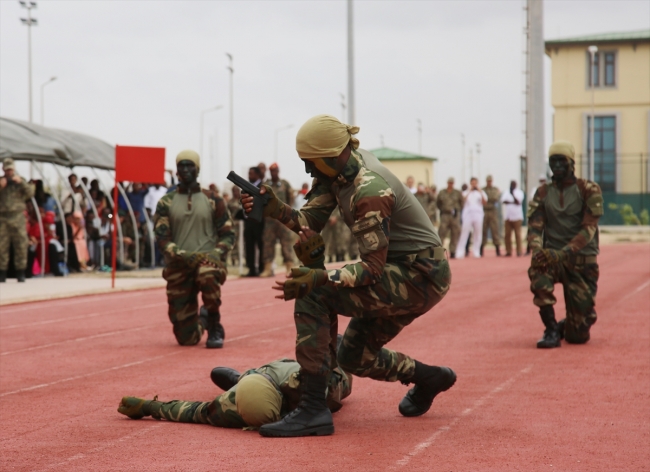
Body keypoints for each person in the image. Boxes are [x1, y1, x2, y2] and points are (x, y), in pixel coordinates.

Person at [241, 114, 455, 438]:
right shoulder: (338, 171)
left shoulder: (368, 189)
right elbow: (307, 221)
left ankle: (314, 407)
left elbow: (371, 269)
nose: (307, 170)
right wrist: (274, 208)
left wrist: (320, 279)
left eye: (311, 163)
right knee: (352, 357)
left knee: (313, 292)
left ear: (331, 155)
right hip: (401, 270)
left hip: (420, 275)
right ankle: (428, 377)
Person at [117, 355, 352, 430]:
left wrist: (149, 406)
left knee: (340, 378)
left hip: (264, 381)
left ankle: (241, 377)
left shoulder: (231, 409)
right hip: (262, 381)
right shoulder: (235, 407)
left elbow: (192, 411)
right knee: (343, 382)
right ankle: (242, 377)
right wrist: (146, 406)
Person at [154, 150, 234, 349]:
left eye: (190, 165)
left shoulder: (214, 199)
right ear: (177, 170)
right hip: (179, 267)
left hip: (208, 262)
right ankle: (203, 320)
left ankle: (214, 323)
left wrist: (216, 254)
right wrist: (183, 255)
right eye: (182, 166)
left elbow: (228, 234)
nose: (186, 170)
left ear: (197, 169)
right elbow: (162, 239)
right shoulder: (166, 202)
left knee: (207, 275)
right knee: (186, 339)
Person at [528, 141, 603, 348]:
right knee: (538, 269)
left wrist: (563, 253)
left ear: (572, 163)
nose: (557, 165)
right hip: (552, 258)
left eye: (562, 160)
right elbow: (535, 226)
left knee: (578, 336)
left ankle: (571, 323)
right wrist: (537, 250)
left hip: (581, 261)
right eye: (553, 161)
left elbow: (588, 229)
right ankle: (551, 329)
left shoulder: (588, 189)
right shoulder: (543, 192)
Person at [0, 158, 34, 282]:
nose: (9, 172)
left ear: (13, 169)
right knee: (2, 246)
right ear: (3, 169)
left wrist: (21, 183)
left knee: (20, 244)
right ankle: (2, 272)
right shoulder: (1, 181)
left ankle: (21, 271)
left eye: (11, 169)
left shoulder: (20, 181)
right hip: (3, 217)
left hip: (18, 216)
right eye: (7, 169)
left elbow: (30, 194)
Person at [260, 163, 296, 277]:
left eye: (275, 171)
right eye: (271, 171)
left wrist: (288, 213)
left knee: (286, 244)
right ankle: (268, 268)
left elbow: (291, 198)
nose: (273, 173)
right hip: (269, 221)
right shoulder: (266, 185)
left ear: (278, 171)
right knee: (268, 244)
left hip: (283, 220)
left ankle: (289, 267)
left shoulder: (285, 184)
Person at [455, 178, 487, 259]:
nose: (474, 185)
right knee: (464, 233)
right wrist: (469, 191)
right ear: (470, 184)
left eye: (475, 183)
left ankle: (476, 252)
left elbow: (484, 202)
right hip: (468, 214)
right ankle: (460, 252)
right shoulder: (465, 192)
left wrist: (480, 191)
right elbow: (463, 200)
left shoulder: (481, 192)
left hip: (478, 214)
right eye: (472, 183)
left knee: (478, 233)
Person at [243, 167, 265, 277]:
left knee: (261, 245)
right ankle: (251, 269)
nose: (249, 175)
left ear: (257, 175)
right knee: (249, 246)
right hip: (248, 221)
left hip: (259, 221)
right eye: (249, 173)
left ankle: (261, 268)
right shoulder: (246, 186)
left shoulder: (263, 186)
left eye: (251, 173)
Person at [436, 177, 462, 258]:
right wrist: (443, 210)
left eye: (452, 183)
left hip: (454, 216)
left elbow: (462, 203)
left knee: (455, 233)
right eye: (449, 183)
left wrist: (457, 210)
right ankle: (439, 252)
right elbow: (438, 203)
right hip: (445, 215)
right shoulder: (442, 192)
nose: (450, 184)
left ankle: (453, 251)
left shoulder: (457, 192)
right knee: (442, 233)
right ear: (447, 183)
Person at [501, 180, 524, 257]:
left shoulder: (519, 192)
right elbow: (503, 201)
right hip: (508, 217)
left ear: (516, 185)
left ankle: (519, 251)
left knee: (518, 234)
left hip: (517, 217)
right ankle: (508, 251)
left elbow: (518, 202)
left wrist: (512, 195)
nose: (512, 185)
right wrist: (512, 201)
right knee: (507, 235)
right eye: (511, 184)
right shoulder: (506, 192)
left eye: (513, 184)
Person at [481, 175, 502, 256]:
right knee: (483, 230)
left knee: (495, 230)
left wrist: (487, 199)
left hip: (493, 212)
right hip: (485, 211)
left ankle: (497, 249)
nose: (489, 182)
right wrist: (489, 199)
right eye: (488, 181)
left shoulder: (495, 189)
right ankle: (481, 249)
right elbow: (483, 199)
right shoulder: (482, 190)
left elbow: (495, 198)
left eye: (490, 181)